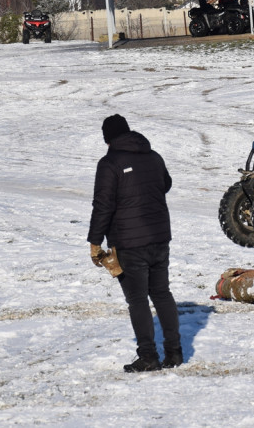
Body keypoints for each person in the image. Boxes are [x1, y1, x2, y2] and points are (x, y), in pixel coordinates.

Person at [88, 114, 182, 372]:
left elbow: (103, 205)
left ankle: (149, 356)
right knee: (162, 294)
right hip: (160, 237)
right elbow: (166, 184)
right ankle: (174, 353)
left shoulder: (109, 163)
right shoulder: (154, 156)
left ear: (107, 138)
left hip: (130, 242)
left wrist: (95, 242)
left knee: (138, 300)